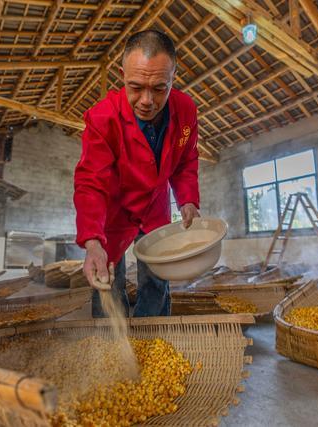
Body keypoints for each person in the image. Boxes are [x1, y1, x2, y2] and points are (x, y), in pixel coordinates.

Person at [73, 30, 200, 317]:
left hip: (155, 208)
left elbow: (186, 161)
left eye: (159, 88)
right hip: (114, 212)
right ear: (122, 75)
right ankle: (111, 346)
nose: (146, 100)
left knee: (156, 279)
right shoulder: (102, 118)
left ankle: (152, 341)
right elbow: (90, 182)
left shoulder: (186, 111)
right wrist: (92, 242)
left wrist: (188, 200)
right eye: (136, 87)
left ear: (173, 78)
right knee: (108, 280)